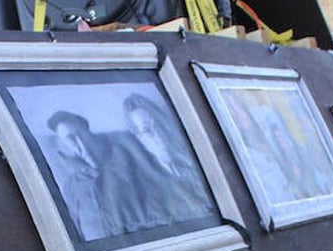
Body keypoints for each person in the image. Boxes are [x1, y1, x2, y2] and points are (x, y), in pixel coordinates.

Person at [45, 110, 147, 242]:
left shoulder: (129, 165)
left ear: (90, 133)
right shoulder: (71, 186)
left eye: (81, 134)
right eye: (70, 138)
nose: (80, 142)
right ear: (64, 144)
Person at [121, 92, 216, 227]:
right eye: (147, 129)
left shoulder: (200, 161)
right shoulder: (148, 188)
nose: (158, 135)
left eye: (159, 126)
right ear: (140, 139)